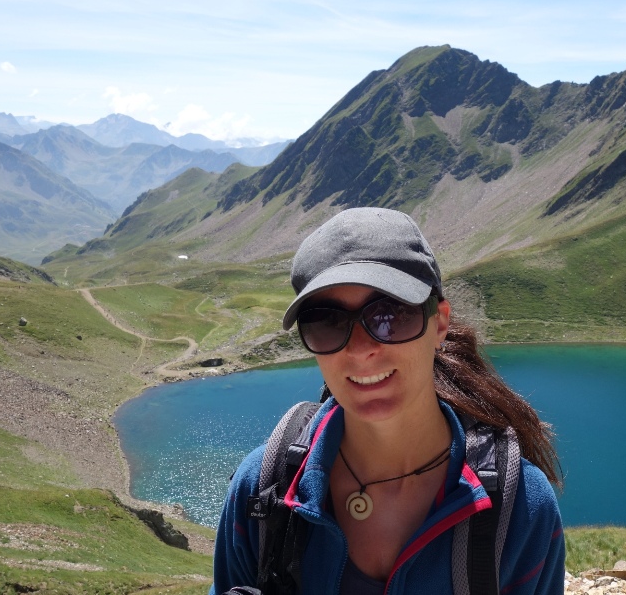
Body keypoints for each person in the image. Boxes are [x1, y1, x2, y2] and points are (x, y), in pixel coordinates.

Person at [210, 207, 565, 595]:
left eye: (390, 315)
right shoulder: (261, 489)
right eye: (327, 322)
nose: (362, 351)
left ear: (439, 324)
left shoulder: (521, 510)